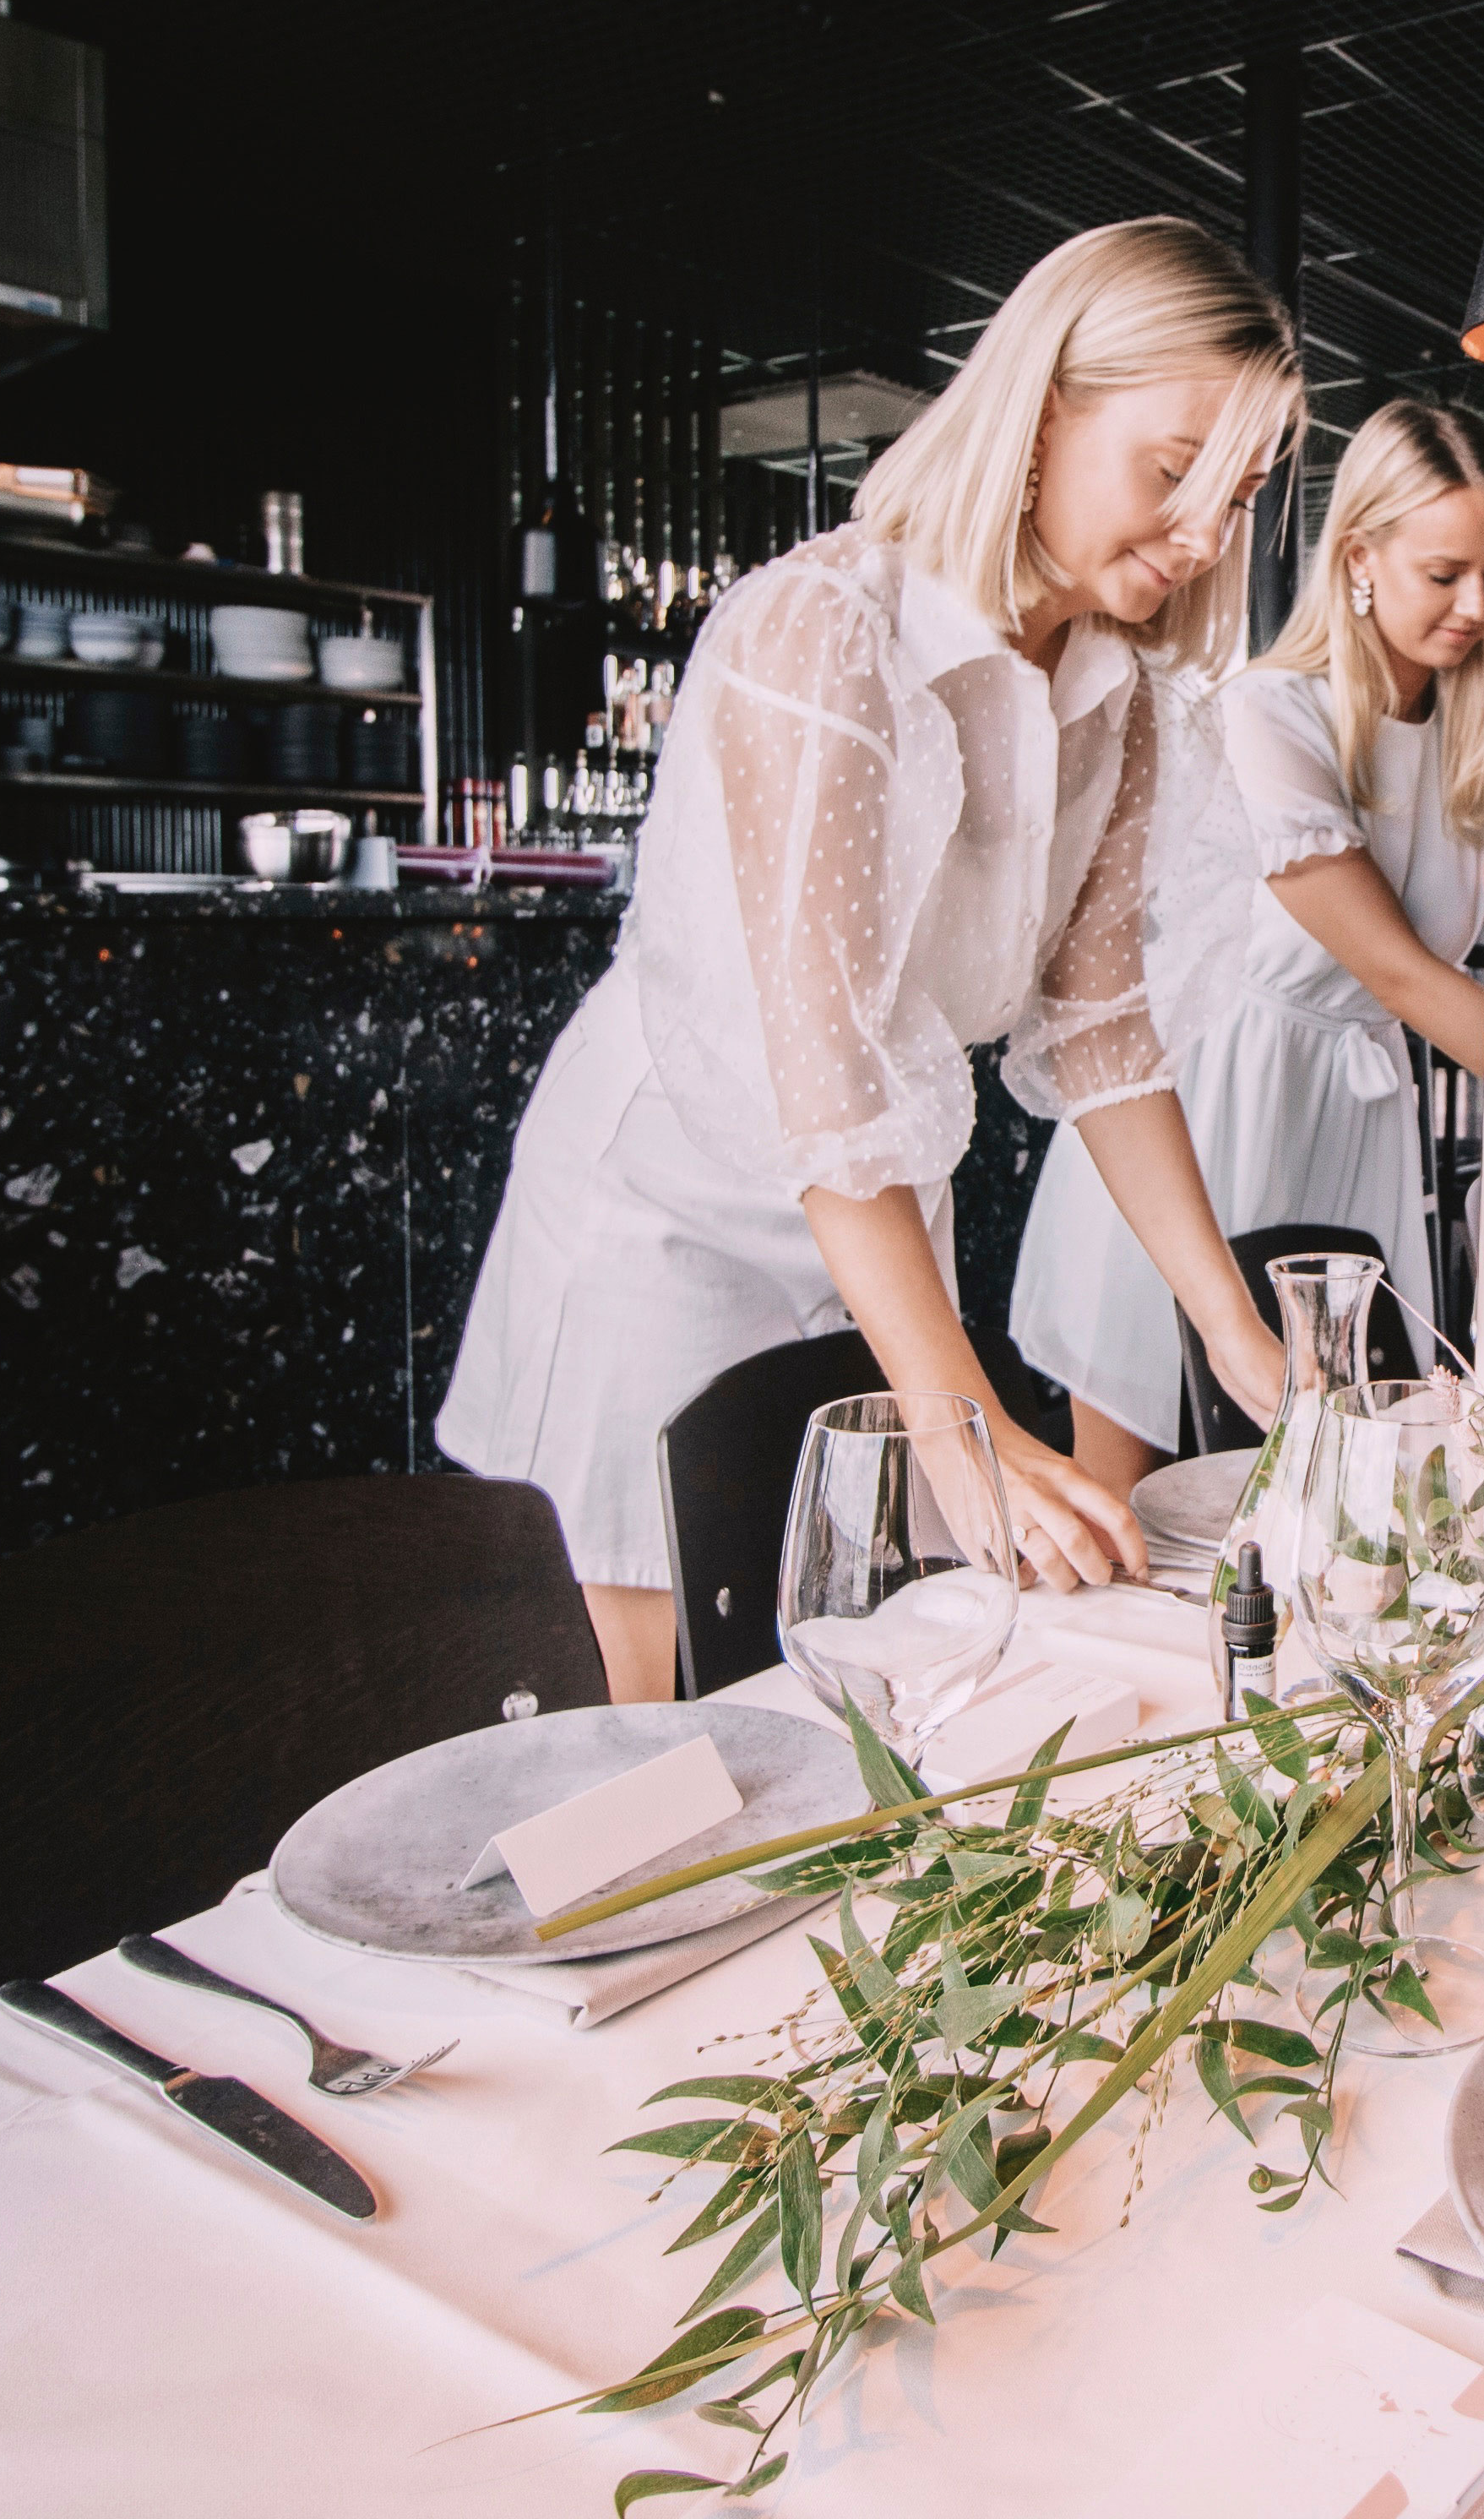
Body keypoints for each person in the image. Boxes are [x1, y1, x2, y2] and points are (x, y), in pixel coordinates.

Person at [438, 218, 1303, 1700]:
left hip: (879, 1215)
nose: (1205, 537)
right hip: (673, 1210)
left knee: (861, 1681)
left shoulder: (1124, 700)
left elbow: (1099, 1026)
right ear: (1042, 412)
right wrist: (969, 1427)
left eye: (1236, 498)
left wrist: (1238, 1333)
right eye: (1174, 473)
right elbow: (825, 1069)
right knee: (664, 1726)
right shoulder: (825, 634)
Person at [1008, 398, 1484, 1501]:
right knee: (1140, 1495)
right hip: (1210, 1099)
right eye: (1446, 573)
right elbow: (1402, 972)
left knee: (1348, 1485)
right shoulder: (1270, 714)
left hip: (1354, 1115)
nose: (1477, 605)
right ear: (1362, 559)